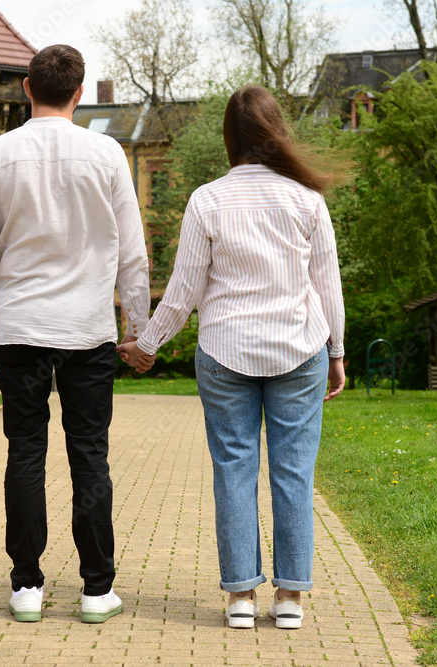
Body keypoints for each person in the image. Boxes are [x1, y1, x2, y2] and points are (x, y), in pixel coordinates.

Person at [118, 84, 346, 630]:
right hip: (299, 349)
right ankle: (290, 598)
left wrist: (148, 344)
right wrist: (336, 351)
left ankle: (241, 597)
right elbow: (328, 286)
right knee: (294, 474)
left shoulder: (208, 199)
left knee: (234, 473)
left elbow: (183, 289)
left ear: (230, 137)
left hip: (225, 352)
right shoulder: (307, 200)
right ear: (277, 132)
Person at [0, 44, 153, 624]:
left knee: (26, 450)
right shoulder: (107, 154)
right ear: (79, 91)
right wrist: (140, 330)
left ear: (26, 88)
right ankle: (97, 589)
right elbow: (132, 255)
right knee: (89, 455)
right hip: (87, 329)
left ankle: (27, 587)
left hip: (19, 328)